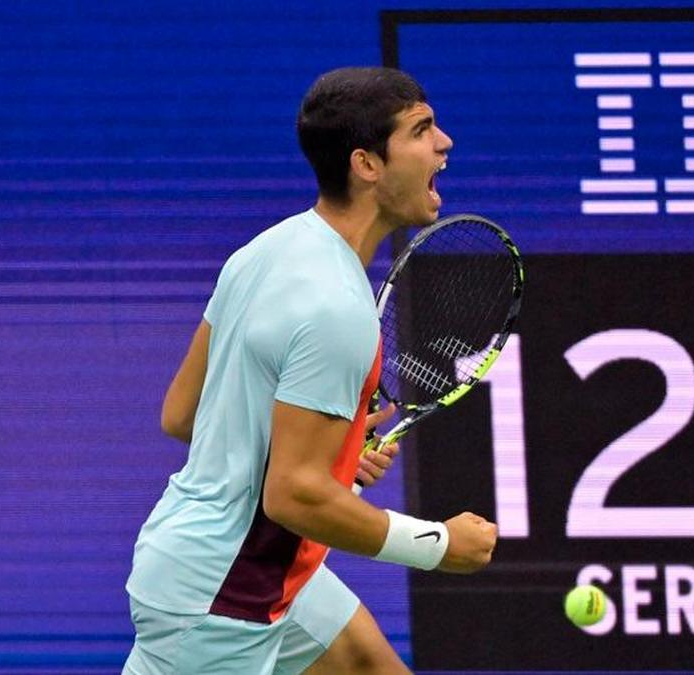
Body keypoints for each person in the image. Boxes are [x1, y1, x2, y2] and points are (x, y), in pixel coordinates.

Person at [123, 66, 498, 675]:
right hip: (224, 602)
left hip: (219, 562)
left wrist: (334, 462)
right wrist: (437, 546)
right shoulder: (338, 308)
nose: (443, 142)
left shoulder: (264, 251)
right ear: (367, 164)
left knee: (367, 665)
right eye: (421, 129)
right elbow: (295, 495)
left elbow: (185, 414)